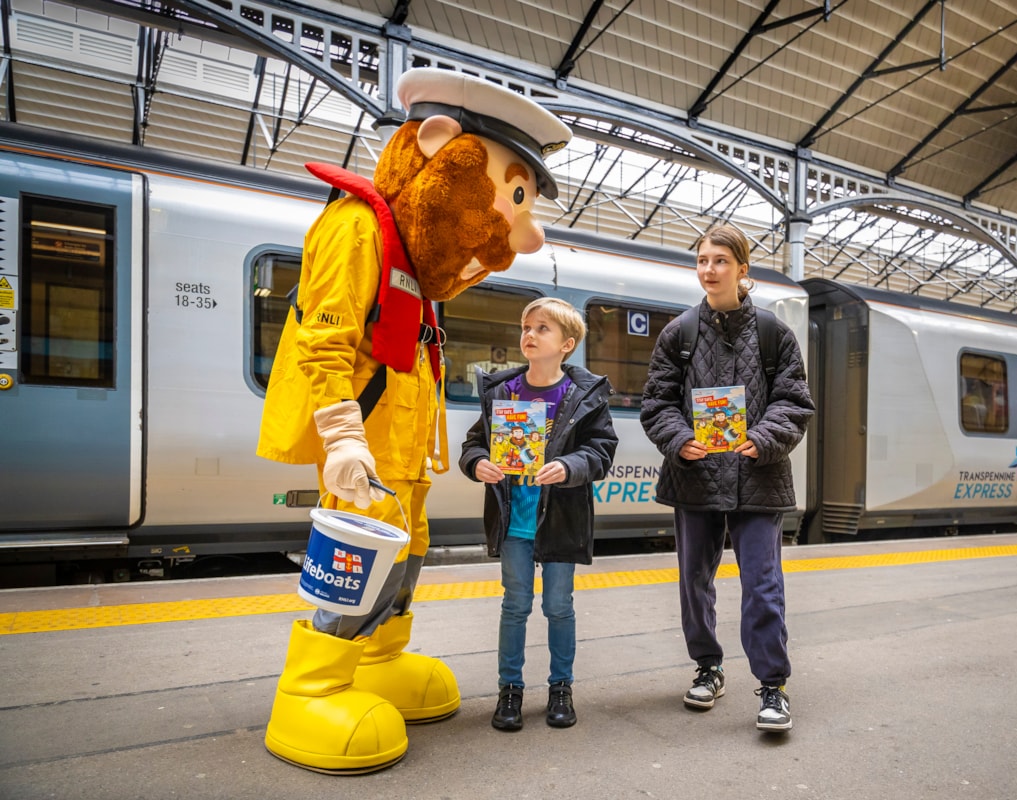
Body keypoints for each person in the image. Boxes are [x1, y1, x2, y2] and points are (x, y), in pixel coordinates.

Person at [255, 69, 571, 773]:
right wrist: (339, 436)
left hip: (406, 452)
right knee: (353, 554)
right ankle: (310, 686)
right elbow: (325, 338)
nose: (507, 222)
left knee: (406, 552)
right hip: (366, 445)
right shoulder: (356, 226)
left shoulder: (413, 260)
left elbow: (424, 321)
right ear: (436, 146)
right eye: (507, 193)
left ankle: (378, 659)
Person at [640, 224, 814, 733]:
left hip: (758, 477)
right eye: (702, 261)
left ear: (743, 270)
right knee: (695, 582)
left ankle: (773, 687)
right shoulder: (679, 333)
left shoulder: (773, 333)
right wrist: (678, 439)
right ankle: (708, 667)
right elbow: (657, 403)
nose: (709, 270)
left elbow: (794, 402)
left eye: (720, 261)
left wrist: (763, 436)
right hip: (694, 476)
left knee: (762, 585)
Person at [459, 297, 618, 732]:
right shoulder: (503, 392)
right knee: (514, 606)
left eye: (541, 328)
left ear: (567, 344)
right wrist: (478, 464)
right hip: (513, 520)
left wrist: (569, 467)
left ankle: (560, 688)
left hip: (561, 520)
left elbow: (601, 452)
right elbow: (473, 445)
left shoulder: (582, 395)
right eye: (526, 327)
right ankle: (509, 690)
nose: (529, 335)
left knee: (558, 607)